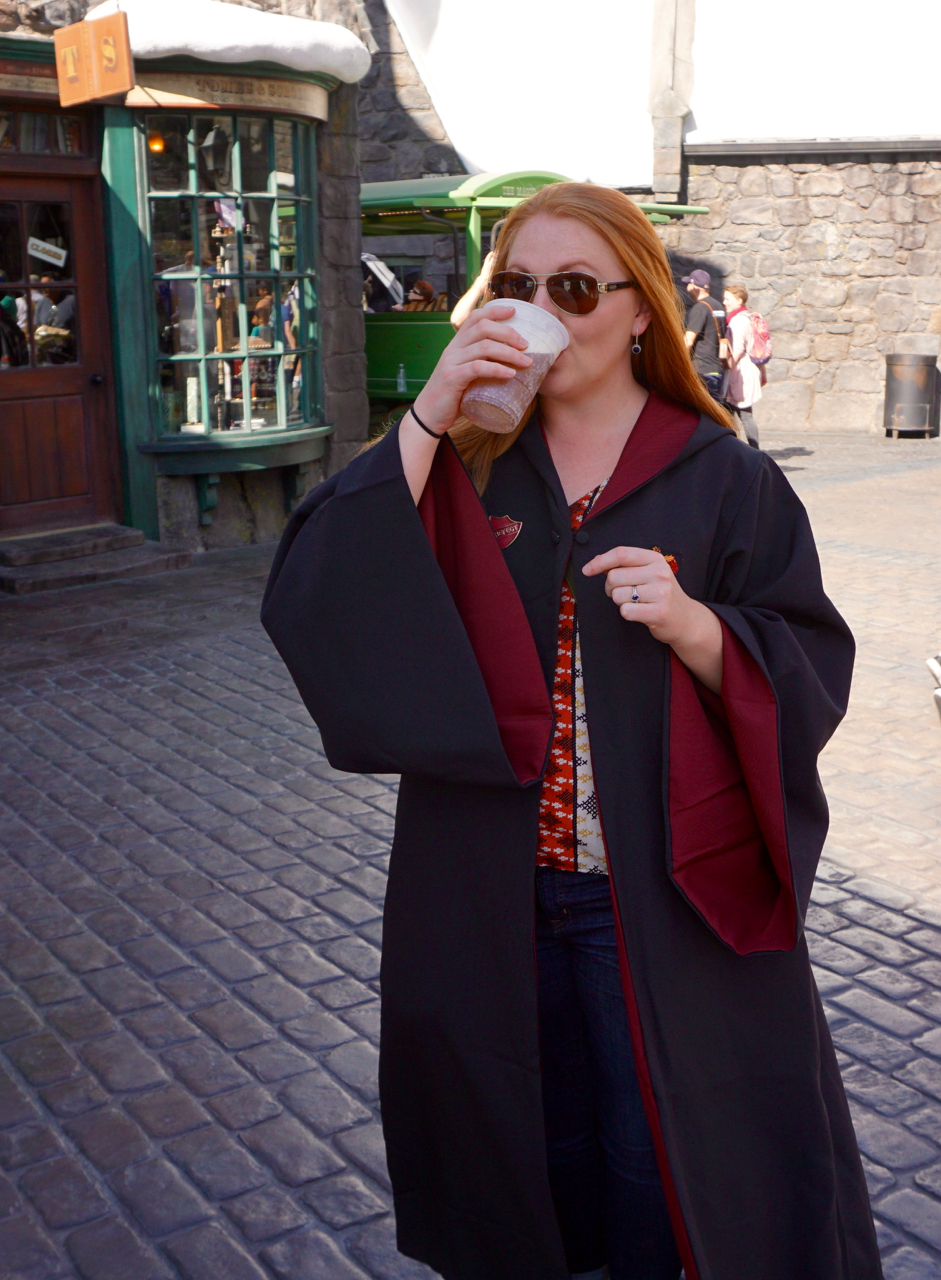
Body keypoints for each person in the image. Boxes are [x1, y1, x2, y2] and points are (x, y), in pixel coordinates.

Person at [262, 183, 879, 1280]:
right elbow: (317, 590)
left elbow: (808, 665)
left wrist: (696, 626)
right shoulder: (467, 462)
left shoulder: (723, 477)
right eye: (516, 285)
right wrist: (427, 413)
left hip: (657, 890)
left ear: (640, 308)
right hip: (484, 886)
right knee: (522, 1157)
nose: (542, 309)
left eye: (576, 288)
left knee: (654, 1163)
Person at [723, 283, 762, 448]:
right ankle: (736, 448)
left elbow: (737, 349)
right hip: (745, 369)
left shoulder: (738, 321)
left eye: (728, 299)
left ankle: (753, 449)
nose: (724, 302)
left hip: (739, 371)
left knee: (744, 414)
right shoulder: (747, 317)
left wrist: (727, 366)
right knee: (732, 413)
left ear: (739, 300)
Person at [682, 268, 726, 400]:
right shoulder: (718, 306)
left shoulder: (700, 308)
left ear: (694, 286)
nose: (686, 287)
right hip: (717, 369)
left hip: (702, 371)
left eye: (688, 283)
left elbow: (688, 341)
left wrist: (678, 365)